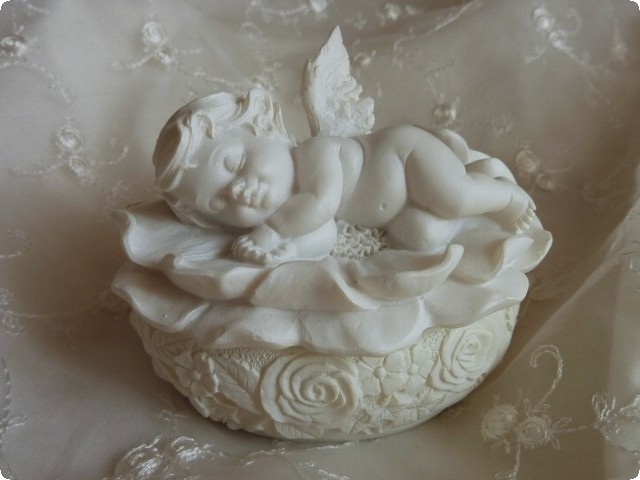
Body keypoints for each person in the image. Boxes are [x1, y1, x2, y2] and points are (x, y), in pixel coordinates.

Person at [154, 88, 535, 265]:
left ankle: (506, 195)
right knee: (419, 236)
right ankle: (481, 173)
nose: (238, 191)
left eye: (235, 164)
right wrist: (289, 252)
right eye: (218, 203)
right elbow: (324, 235)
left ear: (263, 129)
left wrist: (272, 233)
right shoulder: (292, 211)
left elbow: (322, 204)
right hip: (397, 211)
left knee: (454, 199)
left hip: (406, 158)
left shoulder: (313, 152)